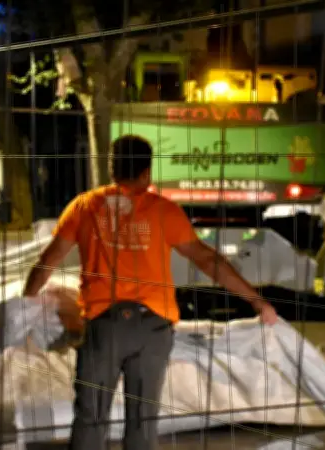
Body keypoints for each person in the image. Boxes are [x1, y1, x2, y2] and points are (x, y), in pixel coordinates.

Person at [22, 135, 278, 450]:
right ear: (147, 173)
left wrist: (24, 307)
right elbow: (208, 260)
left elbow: (48, 260)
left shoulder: (86, 207)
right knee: (143, 423)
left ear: (111, 169)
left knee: (91, 418)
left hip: (104, 327)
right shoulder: (164, 212)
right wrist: (257, 301)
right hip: (153, 329)